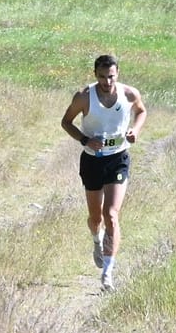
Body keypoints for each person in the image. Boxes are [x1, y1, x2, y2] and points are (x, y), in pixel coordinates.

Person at [60, 53, 145, 291]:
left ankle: (107, 274)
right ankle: (96, 240)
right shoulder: (84, 97)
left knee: (111, 214)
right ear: (95, 75)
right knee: (96, 218)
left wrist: (135, 130)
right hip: (92, 160)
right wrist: (85, 139)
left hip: (118, 158)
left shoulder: (129, 94)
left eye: (111, 77)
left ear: (118, 74)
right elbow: (66, 122)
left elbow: (141, 111)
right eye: (102, 77)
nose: (107, 82)